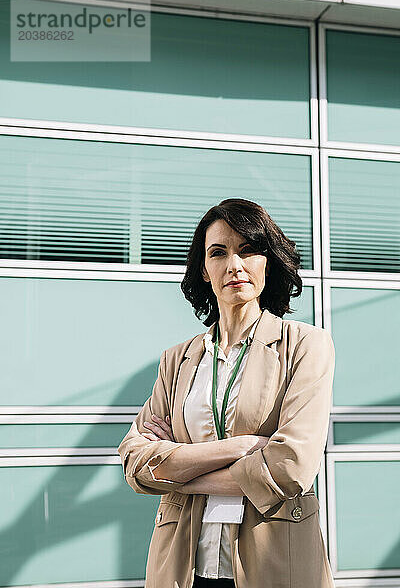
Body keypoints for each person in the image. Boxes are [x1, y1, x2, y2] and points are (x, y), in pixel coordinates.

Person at [118, 198, 336, 588]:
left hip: (273, 562)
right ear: (204, 269)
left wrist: (179, 471)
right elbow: (137, 463)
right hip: (183, 565)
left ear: (268, 261)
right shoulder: (176, 360)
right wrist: (241, 448)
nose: (234, 264)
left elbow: (290, 467)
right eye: (218, 253)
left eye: (248, 250)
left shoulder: (306, 345)